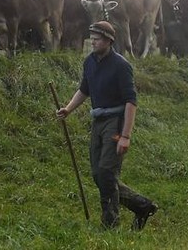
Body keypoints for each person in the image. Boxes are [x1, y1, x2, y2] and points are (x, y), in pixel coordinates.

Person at [56, 20, 157, 230]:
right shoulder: (89, 62)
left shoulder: (121, 66)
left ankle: (110, 223)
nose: (92, 42)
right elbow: (85, 89)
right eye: (91, 38)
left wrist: (126, 136)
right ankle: (142, 205)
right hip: (98, 122)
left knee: (107, 173)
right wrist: (68, 109)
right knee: (98, 174)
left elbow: (131, 101)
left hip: (116, 123)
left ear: (109, 41)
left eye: (97, 39)